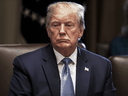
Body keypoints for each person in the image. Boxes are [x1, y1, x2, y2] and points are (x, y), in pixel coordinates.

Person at [9, 1, 116, 96]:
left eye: (69, 25)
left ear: (81, 30)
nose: (62, 31)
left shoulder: (102, 67)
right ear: (48, 31)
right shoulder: (25, 65)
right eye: (55, 25)